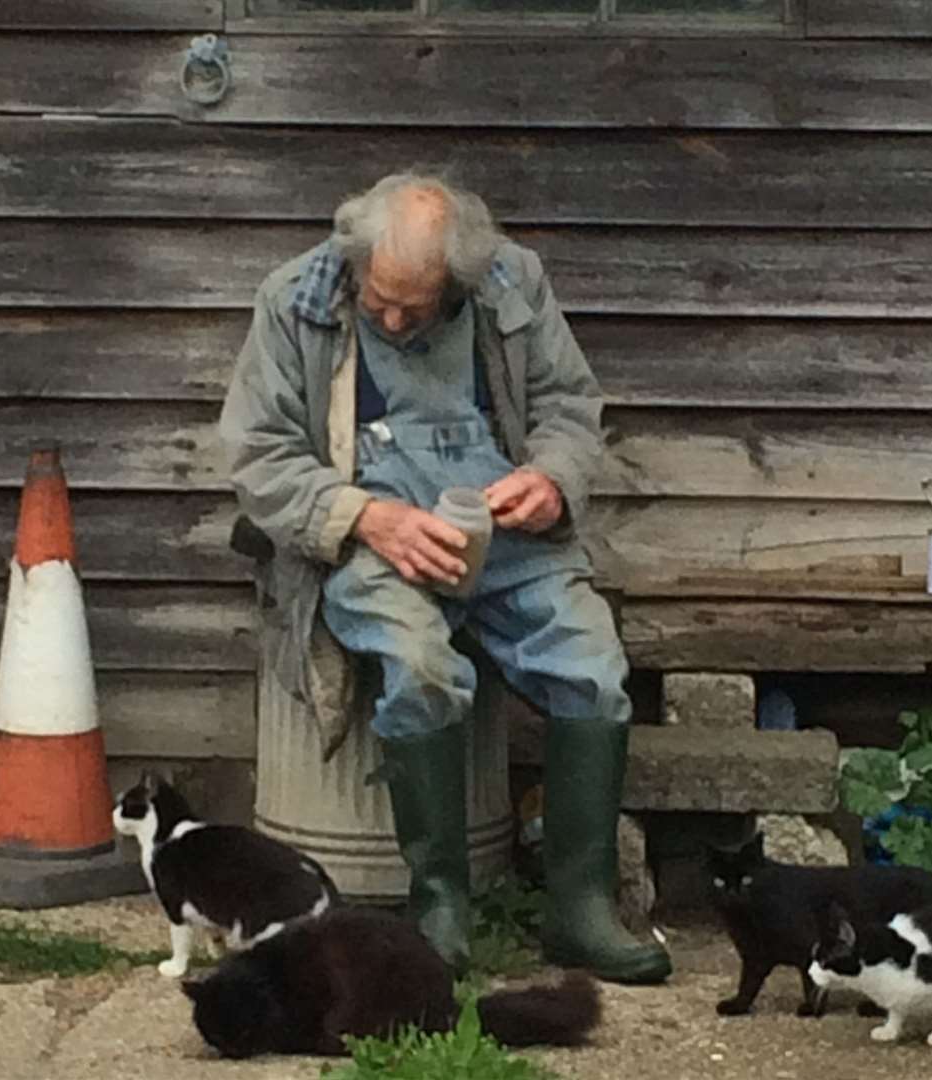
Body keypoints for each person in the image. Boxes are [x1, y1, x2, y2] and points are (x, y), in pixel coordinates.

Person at [218, 172, 671, 985]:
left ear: (455, 283)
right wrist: (363, 517)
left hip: (496, 534)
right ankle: (440, 904)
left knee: (593, 665)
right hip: (366, 538)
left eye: (416, 308)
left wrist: (551, 479)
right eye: (380, 302)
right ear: (355, 263)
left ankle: (578, 910)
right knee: (421, 665)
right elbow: (258, 452)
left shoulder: (510, 285)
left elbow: (569, 406)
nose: (393, 320)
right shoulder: (293, 299)